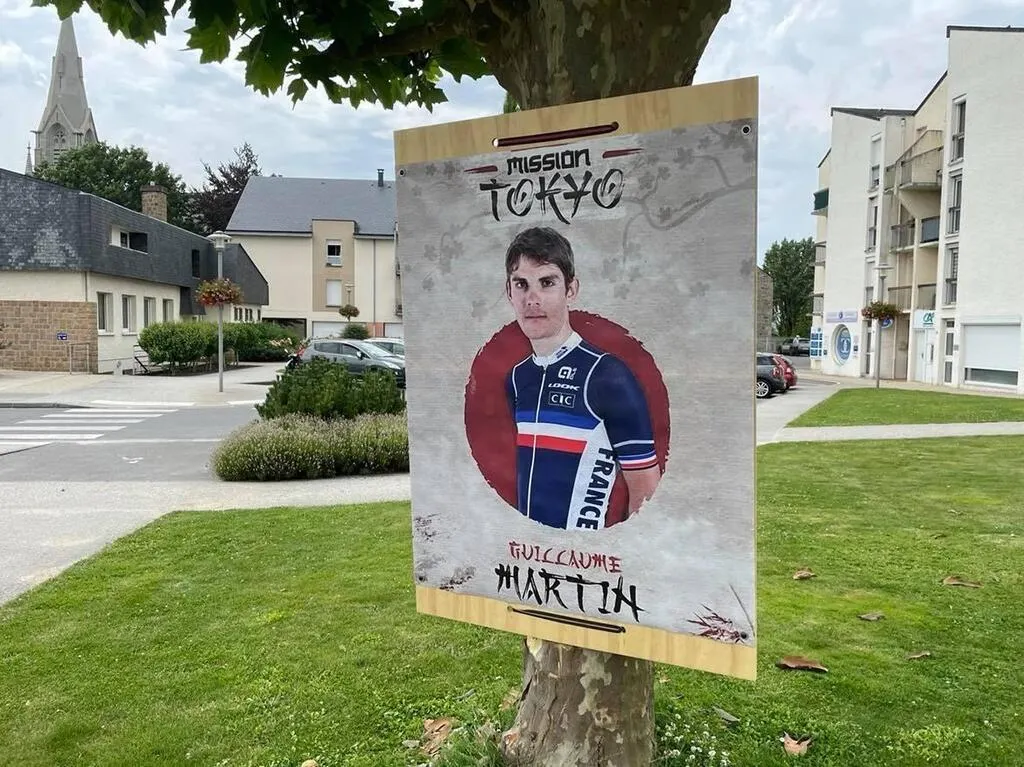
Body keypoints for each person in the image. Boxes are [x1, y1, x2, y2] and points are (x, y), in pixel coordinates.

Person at [503, 226, 662, 531]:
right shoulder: (518, 377)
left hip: (585, 554)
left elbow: (646, 494)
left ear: (571, 290)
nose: (532, 299)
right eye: (521, 284)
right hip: (531, 554)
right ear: (509, 292)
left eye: (547, 283)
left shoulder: (607, 375)